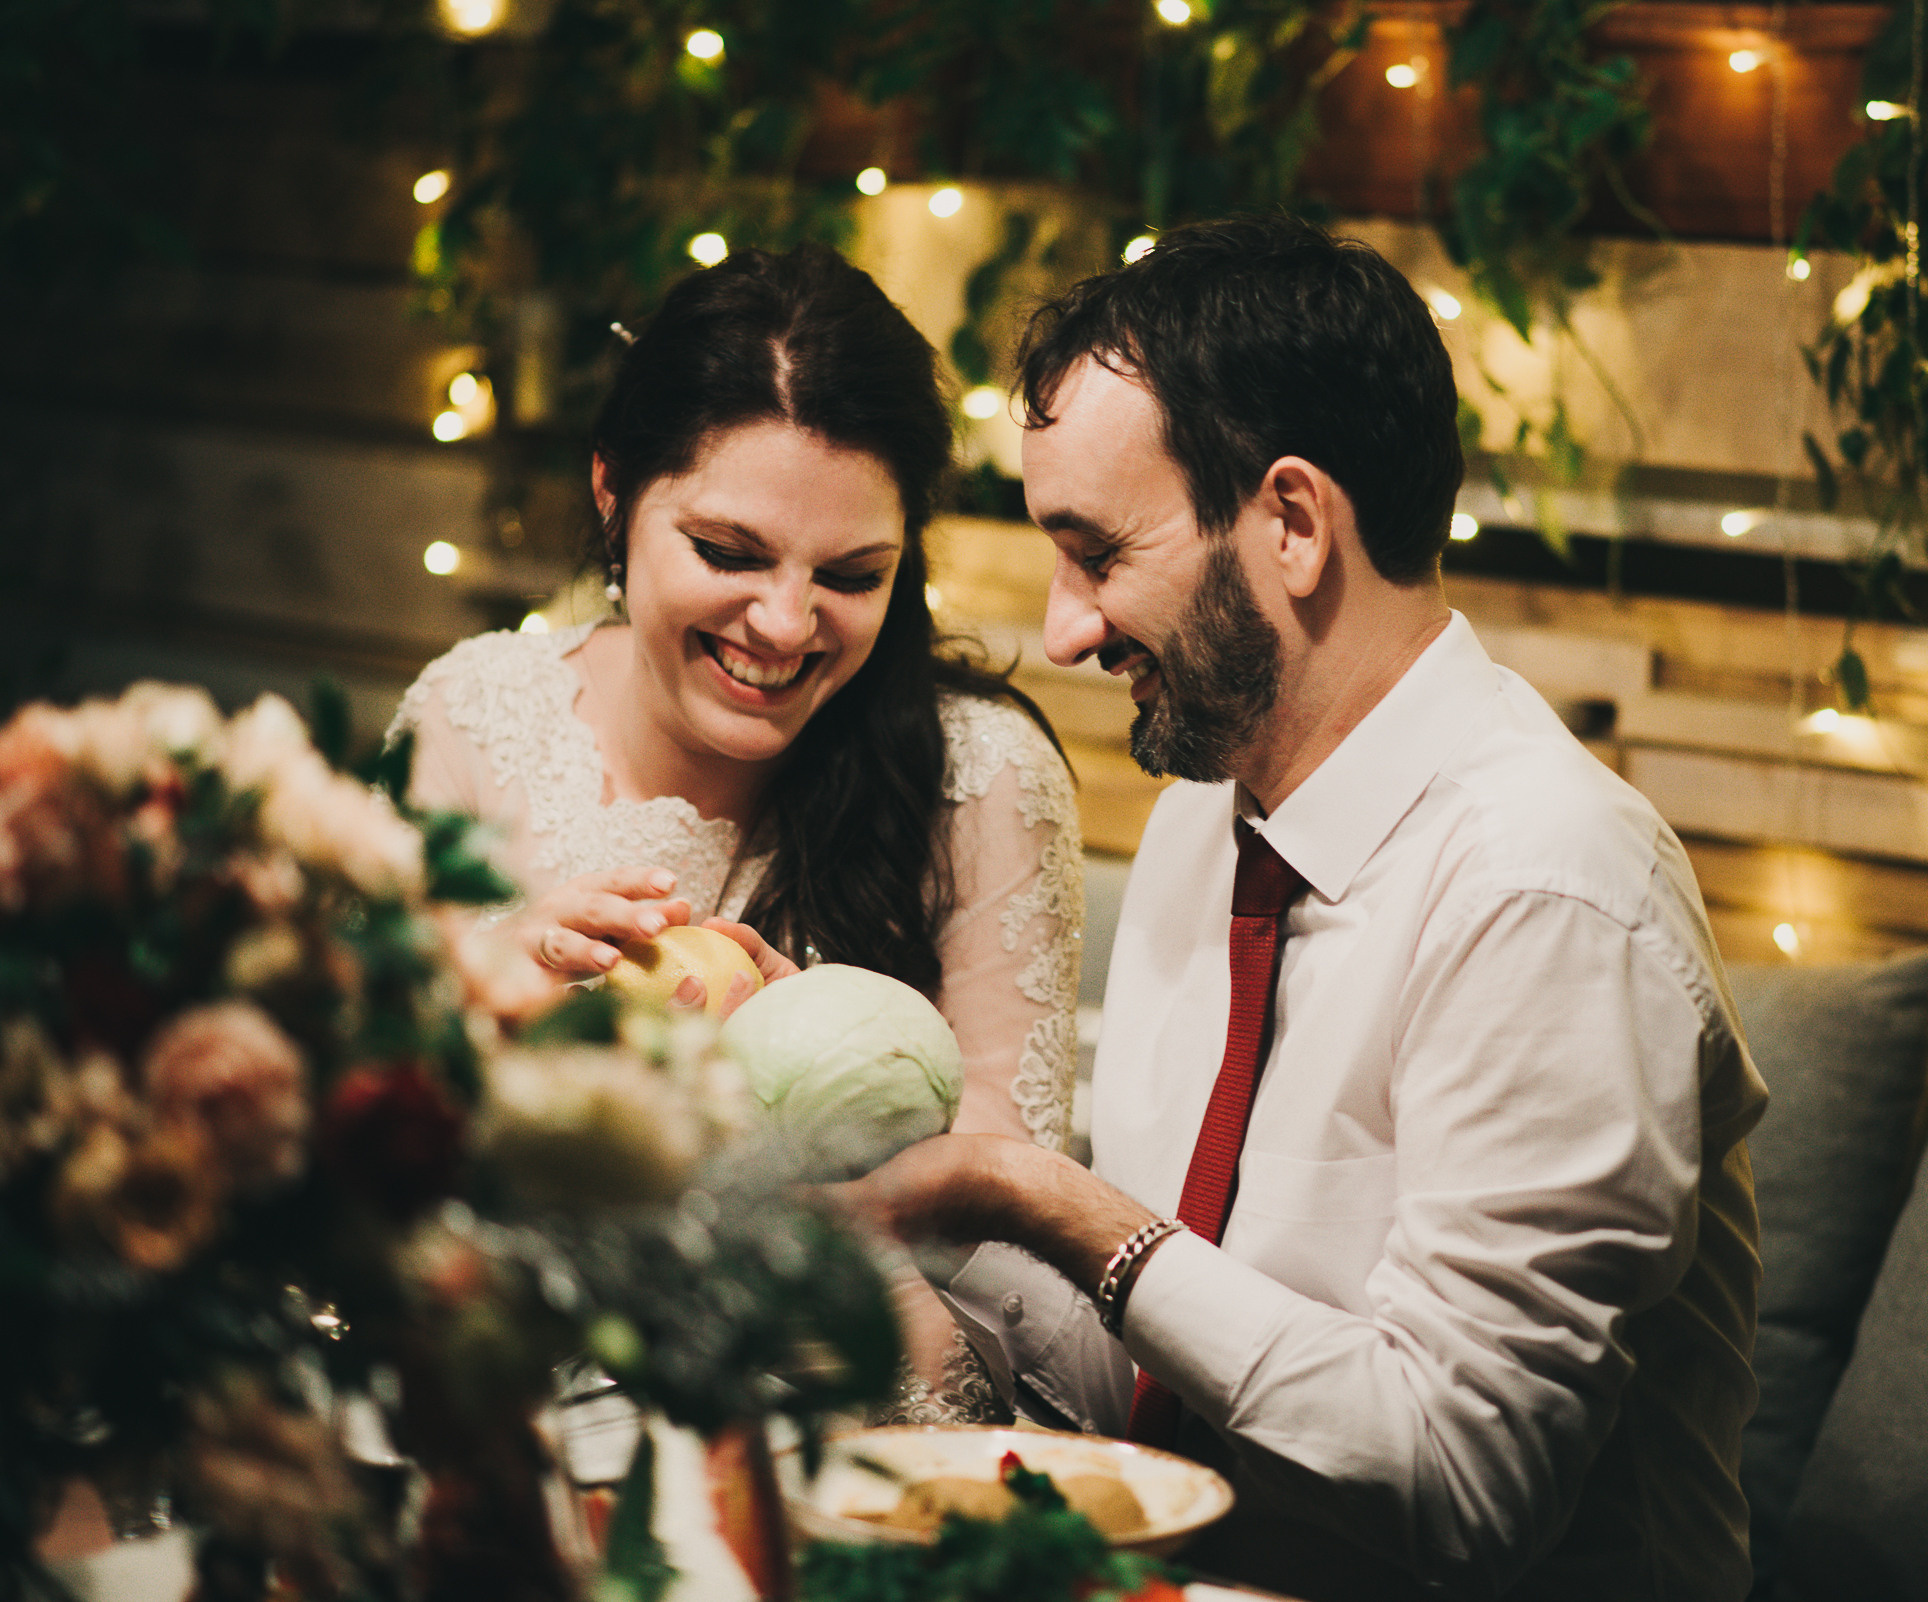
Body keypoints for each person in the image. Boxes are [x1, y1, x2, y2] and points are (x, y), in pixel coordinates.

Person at [854, 214, 1769, 1601]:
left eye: (1096, 553)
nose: (1063, 631)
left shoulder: (1546, 887)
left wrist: (1062, 1204)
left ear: (1290, 522)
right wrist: (912, 1177)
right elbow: (1161, 1372)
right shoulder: (1204, 824)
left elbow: (1470, 1484)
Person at [390, 243, 1082, 1417]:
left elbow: (1010, 1234)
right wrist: (484, 1001)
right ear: (614, 494)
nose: (784, 623)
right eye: (728, 553)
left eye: (854, 574)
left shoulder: (982, 778)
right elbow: (357, 1163)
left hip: (841, 1400)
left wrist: (784, 1135)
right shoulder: (469, 716)